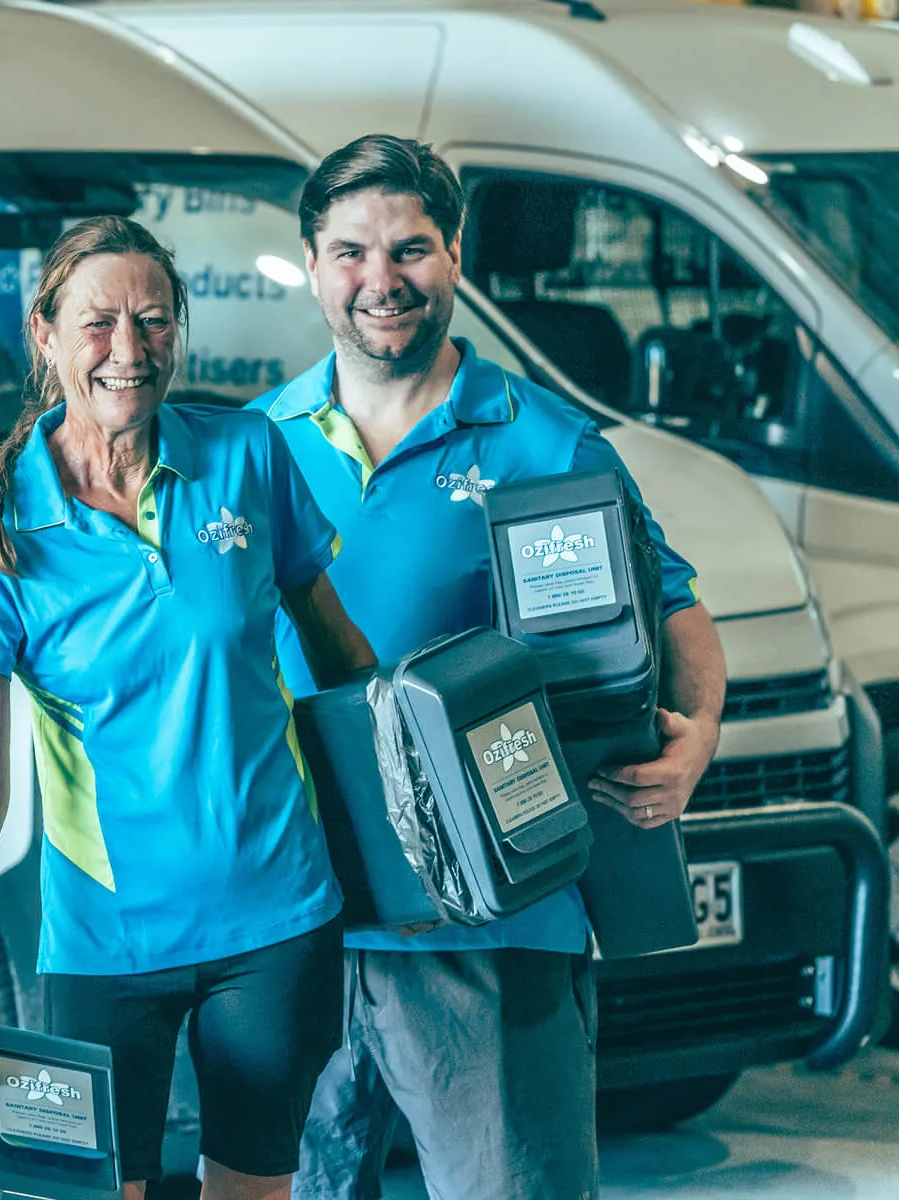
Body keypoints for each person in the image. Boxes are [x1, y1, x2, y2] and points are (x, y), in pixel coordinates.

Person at [250, 135, 727, 1200]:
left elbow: (674, 609)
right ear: (313, 264)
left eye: (410, 249)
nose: (381, 280)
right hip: (296, 917)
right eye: (351, 252)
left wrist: (695, 735)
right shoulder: (253, 446)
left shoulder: (543, 443)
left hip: (491, 919)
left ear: (456, 255)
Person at [0, 215, 376, 1200]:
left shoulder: (246, 456)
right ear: (44, 333)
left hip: (277, 917)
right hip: (105, 942)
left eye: (155, 321)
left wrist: (408, 852)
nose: (131, 349)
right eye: (100, 323)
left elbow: (343, 662)